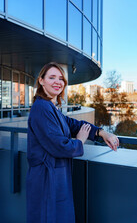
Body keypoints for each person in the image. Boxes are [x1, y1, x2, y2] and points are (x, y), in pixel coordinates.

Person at [26, 62, 119, 223]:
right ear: (41, 81)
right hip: (46, 179)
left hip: (56, 176)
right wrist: (80, 142)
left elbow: (74, 125)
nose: (58, 82)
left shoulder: (51, 107)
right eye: (52, 77)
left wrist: (101, 132)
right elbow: (59, 146)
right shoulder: (41, 108)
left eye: (61, 78)